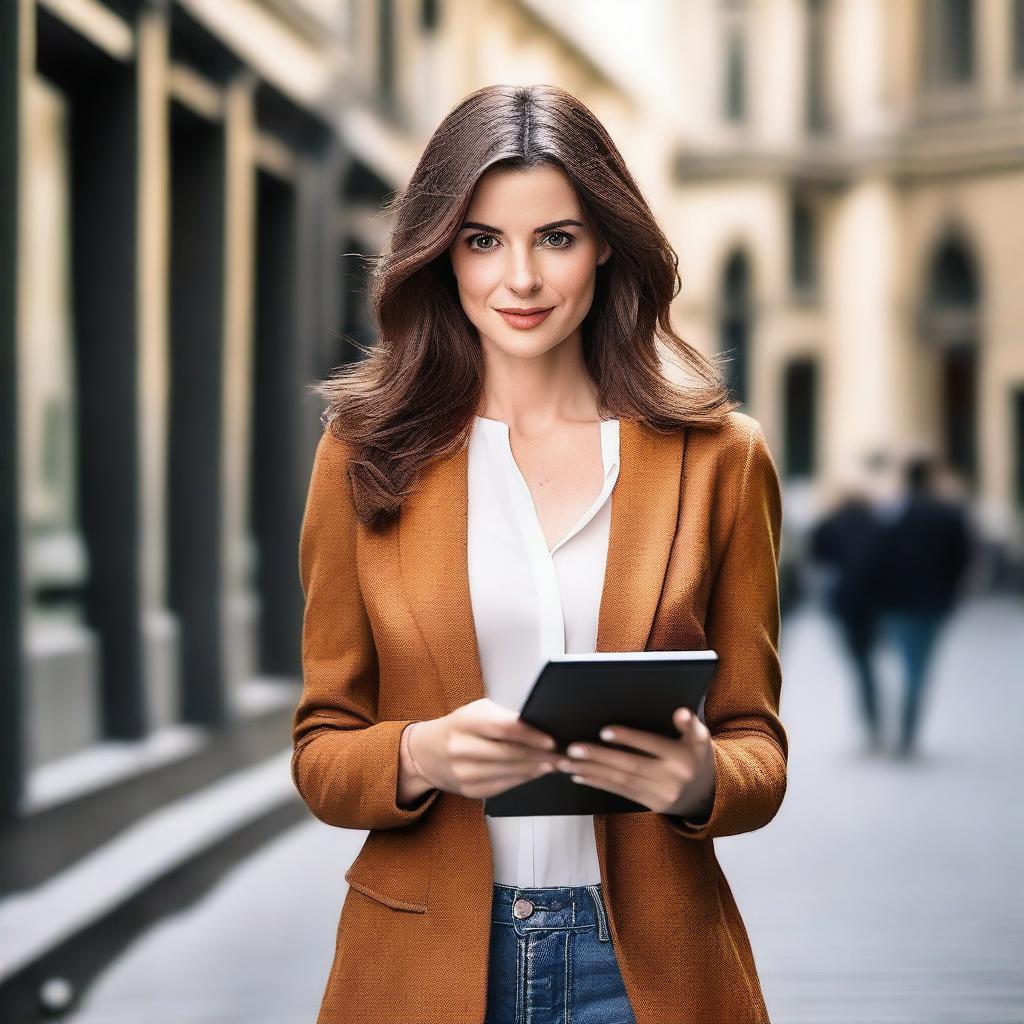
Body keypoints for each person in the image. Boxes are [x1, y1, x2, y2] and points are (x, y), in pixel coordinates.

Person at [291, 84, 787, 1024]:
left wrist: (698, 781)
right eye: (483, 240)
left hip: (643, 967)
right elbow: (321, 751)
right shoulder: (362, 452)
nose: (519, 279)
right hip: (424, 961)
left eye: (554, 237)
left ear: (605, 243)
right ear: (442, 253)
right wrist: (421, 754)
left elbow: (757, 744)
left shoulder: (721, 457)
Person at [872, 454, 973, 758]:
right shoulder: (948, 513)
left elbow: (878, 555)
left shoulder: (892, 511)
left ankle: (902, 729)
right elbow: (963, 557)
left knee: (905, 662)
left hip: (897, 601)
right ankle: (907, 730)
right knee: (919, 665)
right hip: (934, 601)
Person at [809, 475, 888, 752]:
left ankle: (872, 721)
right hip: (878, 603)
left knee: (861, 662)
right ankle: (875, 718)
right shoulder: (879, 525)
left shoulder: (830, 524)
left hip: (845, 603)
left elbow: (817, 556)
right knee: (868, 662)